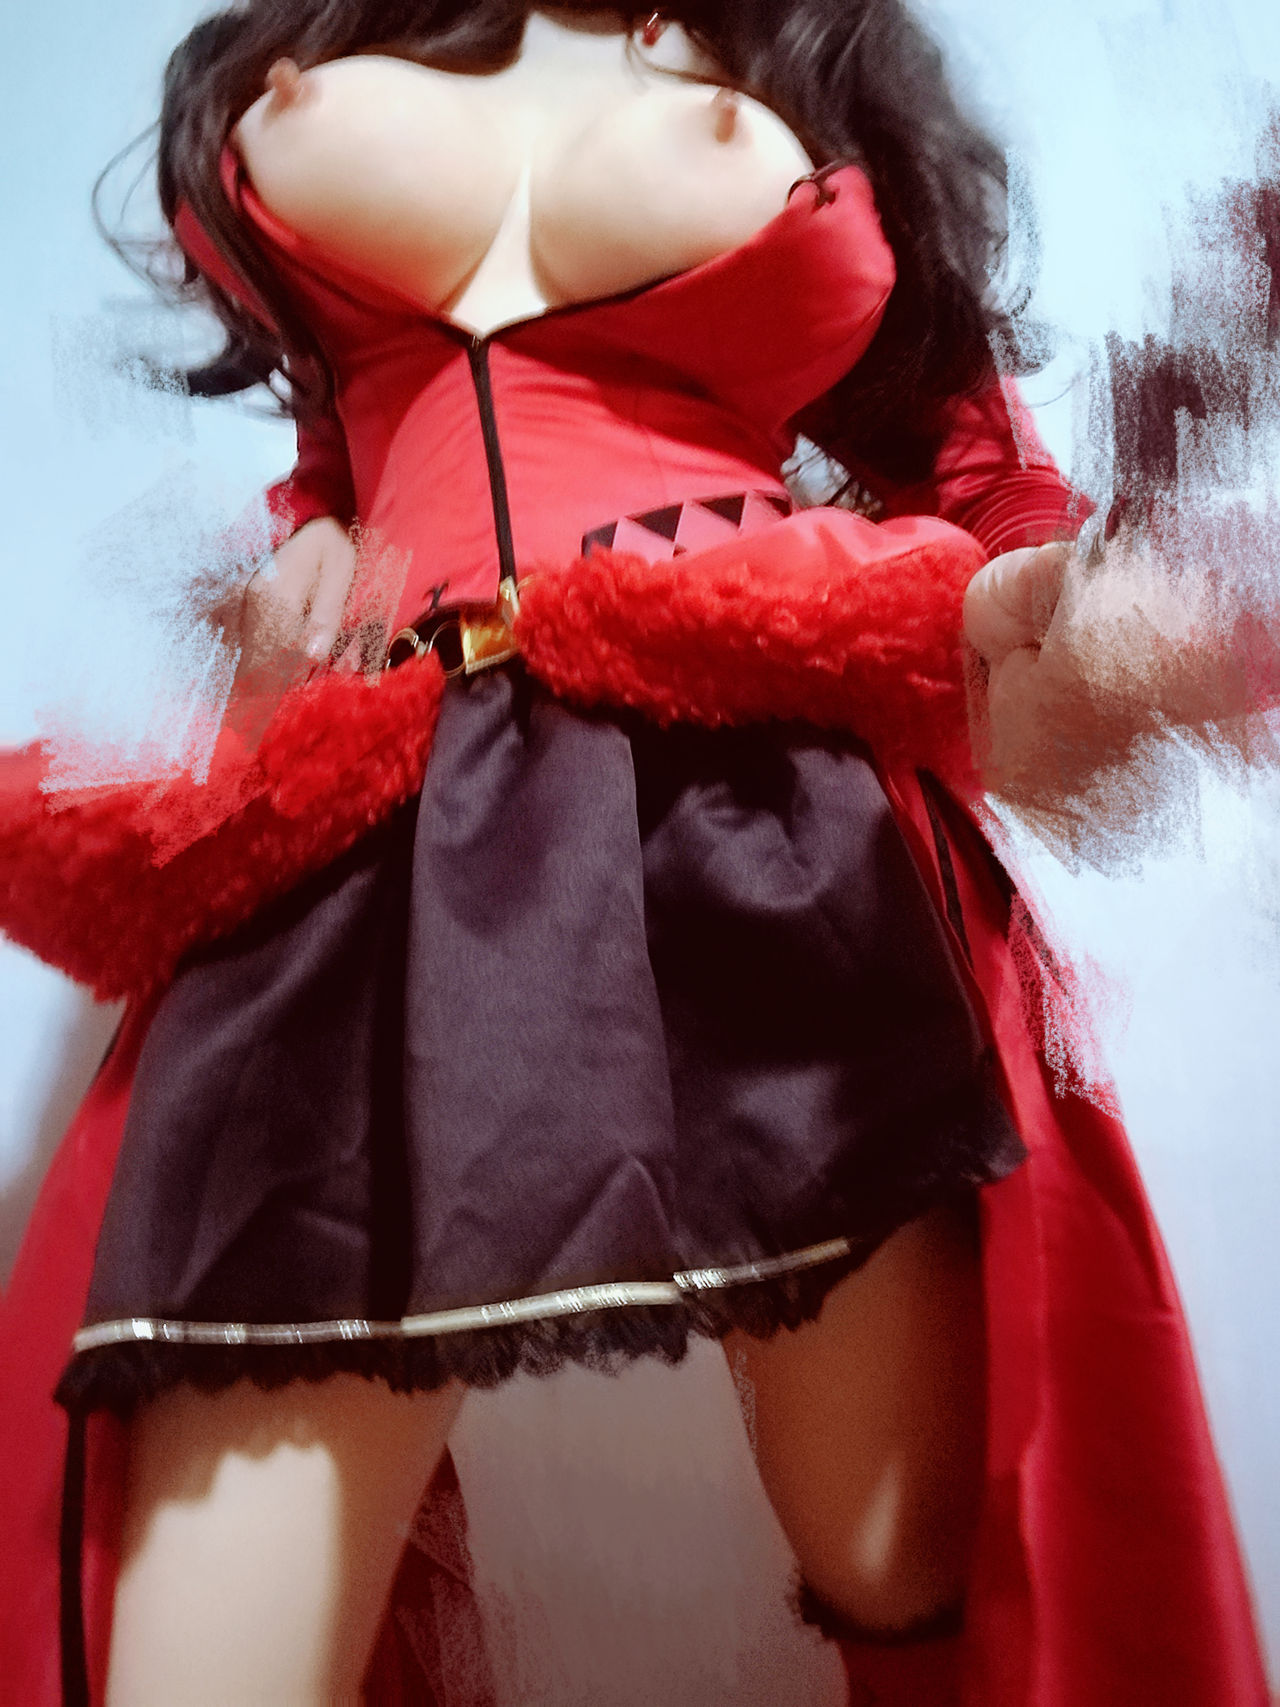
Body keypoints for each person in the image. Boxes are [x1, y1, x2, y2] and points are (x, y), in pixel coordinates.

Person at [0, 4, 1268, 1705]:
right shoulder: (330, 51)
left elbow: (987, 484)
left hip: (768, 817)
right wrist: (305, 554)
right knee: (194, 1663)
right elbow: (338, 458)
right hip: (366, 827)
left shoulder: (814, 69)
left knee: (918, 1563)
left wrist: (1085, 620)